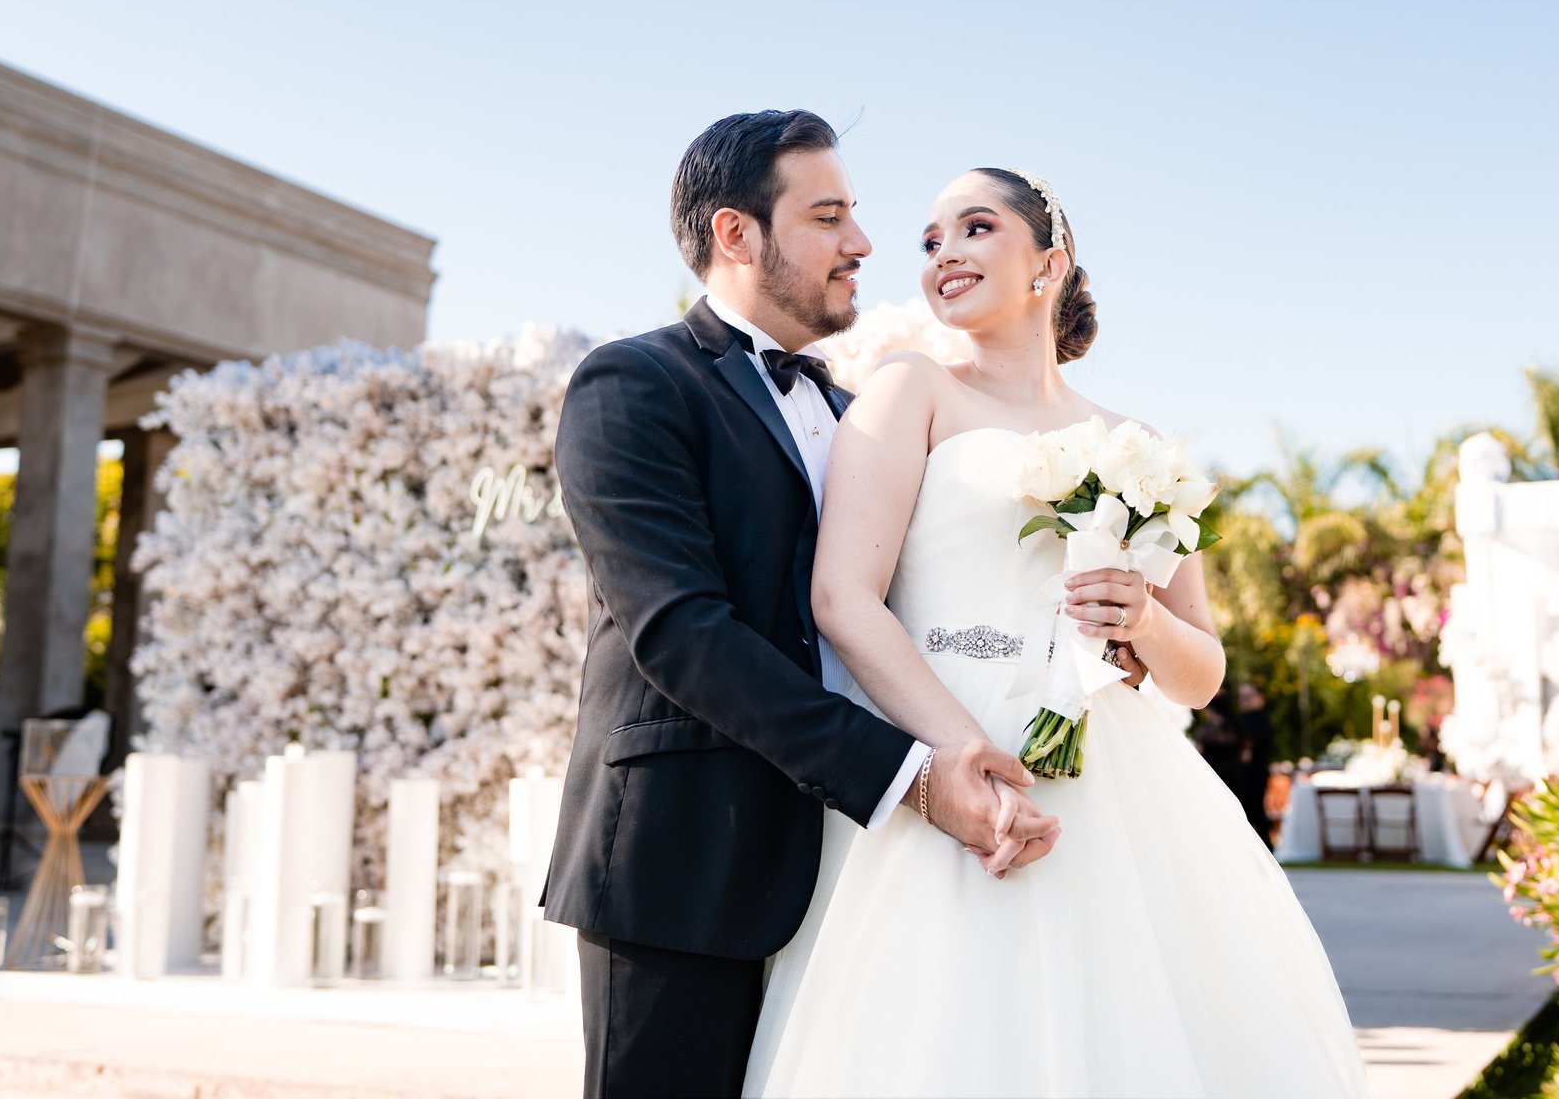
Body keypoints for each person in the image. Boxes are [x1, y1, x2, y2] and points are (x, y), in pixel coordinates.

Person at [745, 167, 1370, 1097]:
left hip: (1116, 787)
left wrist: (1144, 618)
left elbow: (1200, 674)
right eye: (929, 240)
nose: (944, 252)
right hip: (946, 764)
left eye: (975, 227)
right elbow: (844, 598)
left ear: (1051, 260)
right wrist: (962, 762)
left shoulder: (1137, 444)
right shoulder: (911, 388)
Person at [542, 113, 1060, 1099]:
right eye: (829, 217)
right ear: (736, 234)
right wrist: (912, 776)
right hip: (684, 864)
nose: (863, 244)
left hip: (848, 874)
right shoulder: (633, 383)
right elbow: (683, 637)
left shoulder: (857, 406)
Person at [1233, 681, 1278, 846]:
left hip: (1256, 772)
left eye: (1249, 696)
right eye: (1242, 697)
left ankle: (1267, 847)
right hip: (1241, 773)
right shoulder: (1241, 720)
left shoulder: (1262, 720)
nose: (1245, 700)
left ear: (1260, 698)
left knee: (1255, 810)